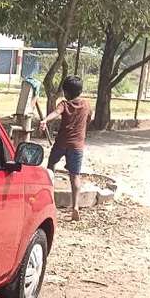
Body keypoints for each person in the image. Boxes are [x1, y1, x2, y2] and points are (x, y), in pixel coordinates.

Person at [40, 74, 91, 221]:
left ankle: (50, 198)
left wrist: (44, 120)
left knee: (51, 166)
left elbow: (56, 113)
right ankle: (75, 206)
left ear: (66, 92)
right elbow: (89, 119)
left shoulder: (65, 104)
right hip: (77, 146)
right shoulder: (86, 105)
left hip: (61, 143)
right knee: (75, 175)